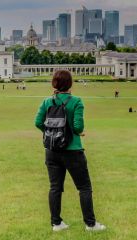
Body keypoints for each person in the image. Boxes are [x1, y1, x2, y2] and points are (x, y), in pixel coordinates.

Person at [35, 70, 106, 232]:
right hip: (73, 150)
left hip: (52, 151)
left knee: (55, 188)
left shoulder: (47, 102)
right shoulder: (76, 101)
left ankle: (56, 224)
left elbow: (38, 122)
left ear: (54, 83)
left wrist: (52, 135)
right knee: (84, 188)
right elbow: (78, 127)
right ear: (70, 84)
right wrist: (77, 133)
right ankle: (90, 224)